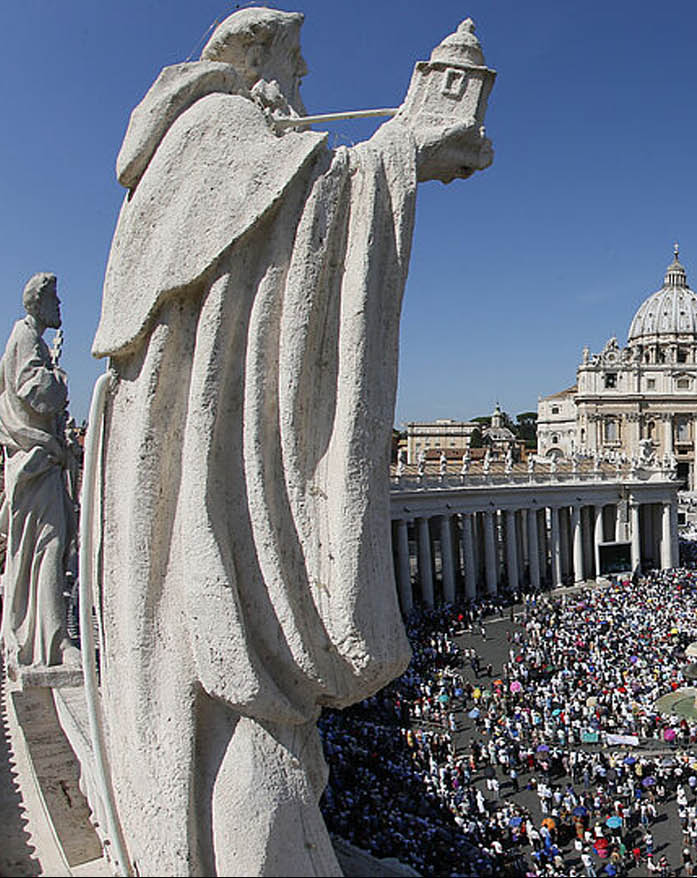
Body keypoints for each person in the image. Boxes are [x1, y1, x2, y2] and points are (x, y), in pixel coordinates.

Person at [87, 8, 491, 875]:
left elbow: (289, 217)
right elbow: (295, 228)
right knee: (242, 687)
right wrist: (402, 149)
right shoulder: (218, 125)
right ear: (255, 53)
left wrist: (396, 154)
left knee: (252, 698)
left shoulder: (219, 141)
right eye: (299, 64)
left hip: (206, 444)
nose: (306, 83)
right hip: (207, 461)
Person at [0, 272, 78, 679]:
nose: (61, 307)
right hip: (37, 464)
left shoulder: (31, 340)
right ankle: (52, 643)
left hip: (40, 464)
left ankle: (41, 638)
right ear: (40, 303)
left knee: (46, 545)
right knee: (48, 544)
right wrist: (60, 379)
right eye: (57, 300)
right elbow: (36, 391)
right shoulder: (26, 337)